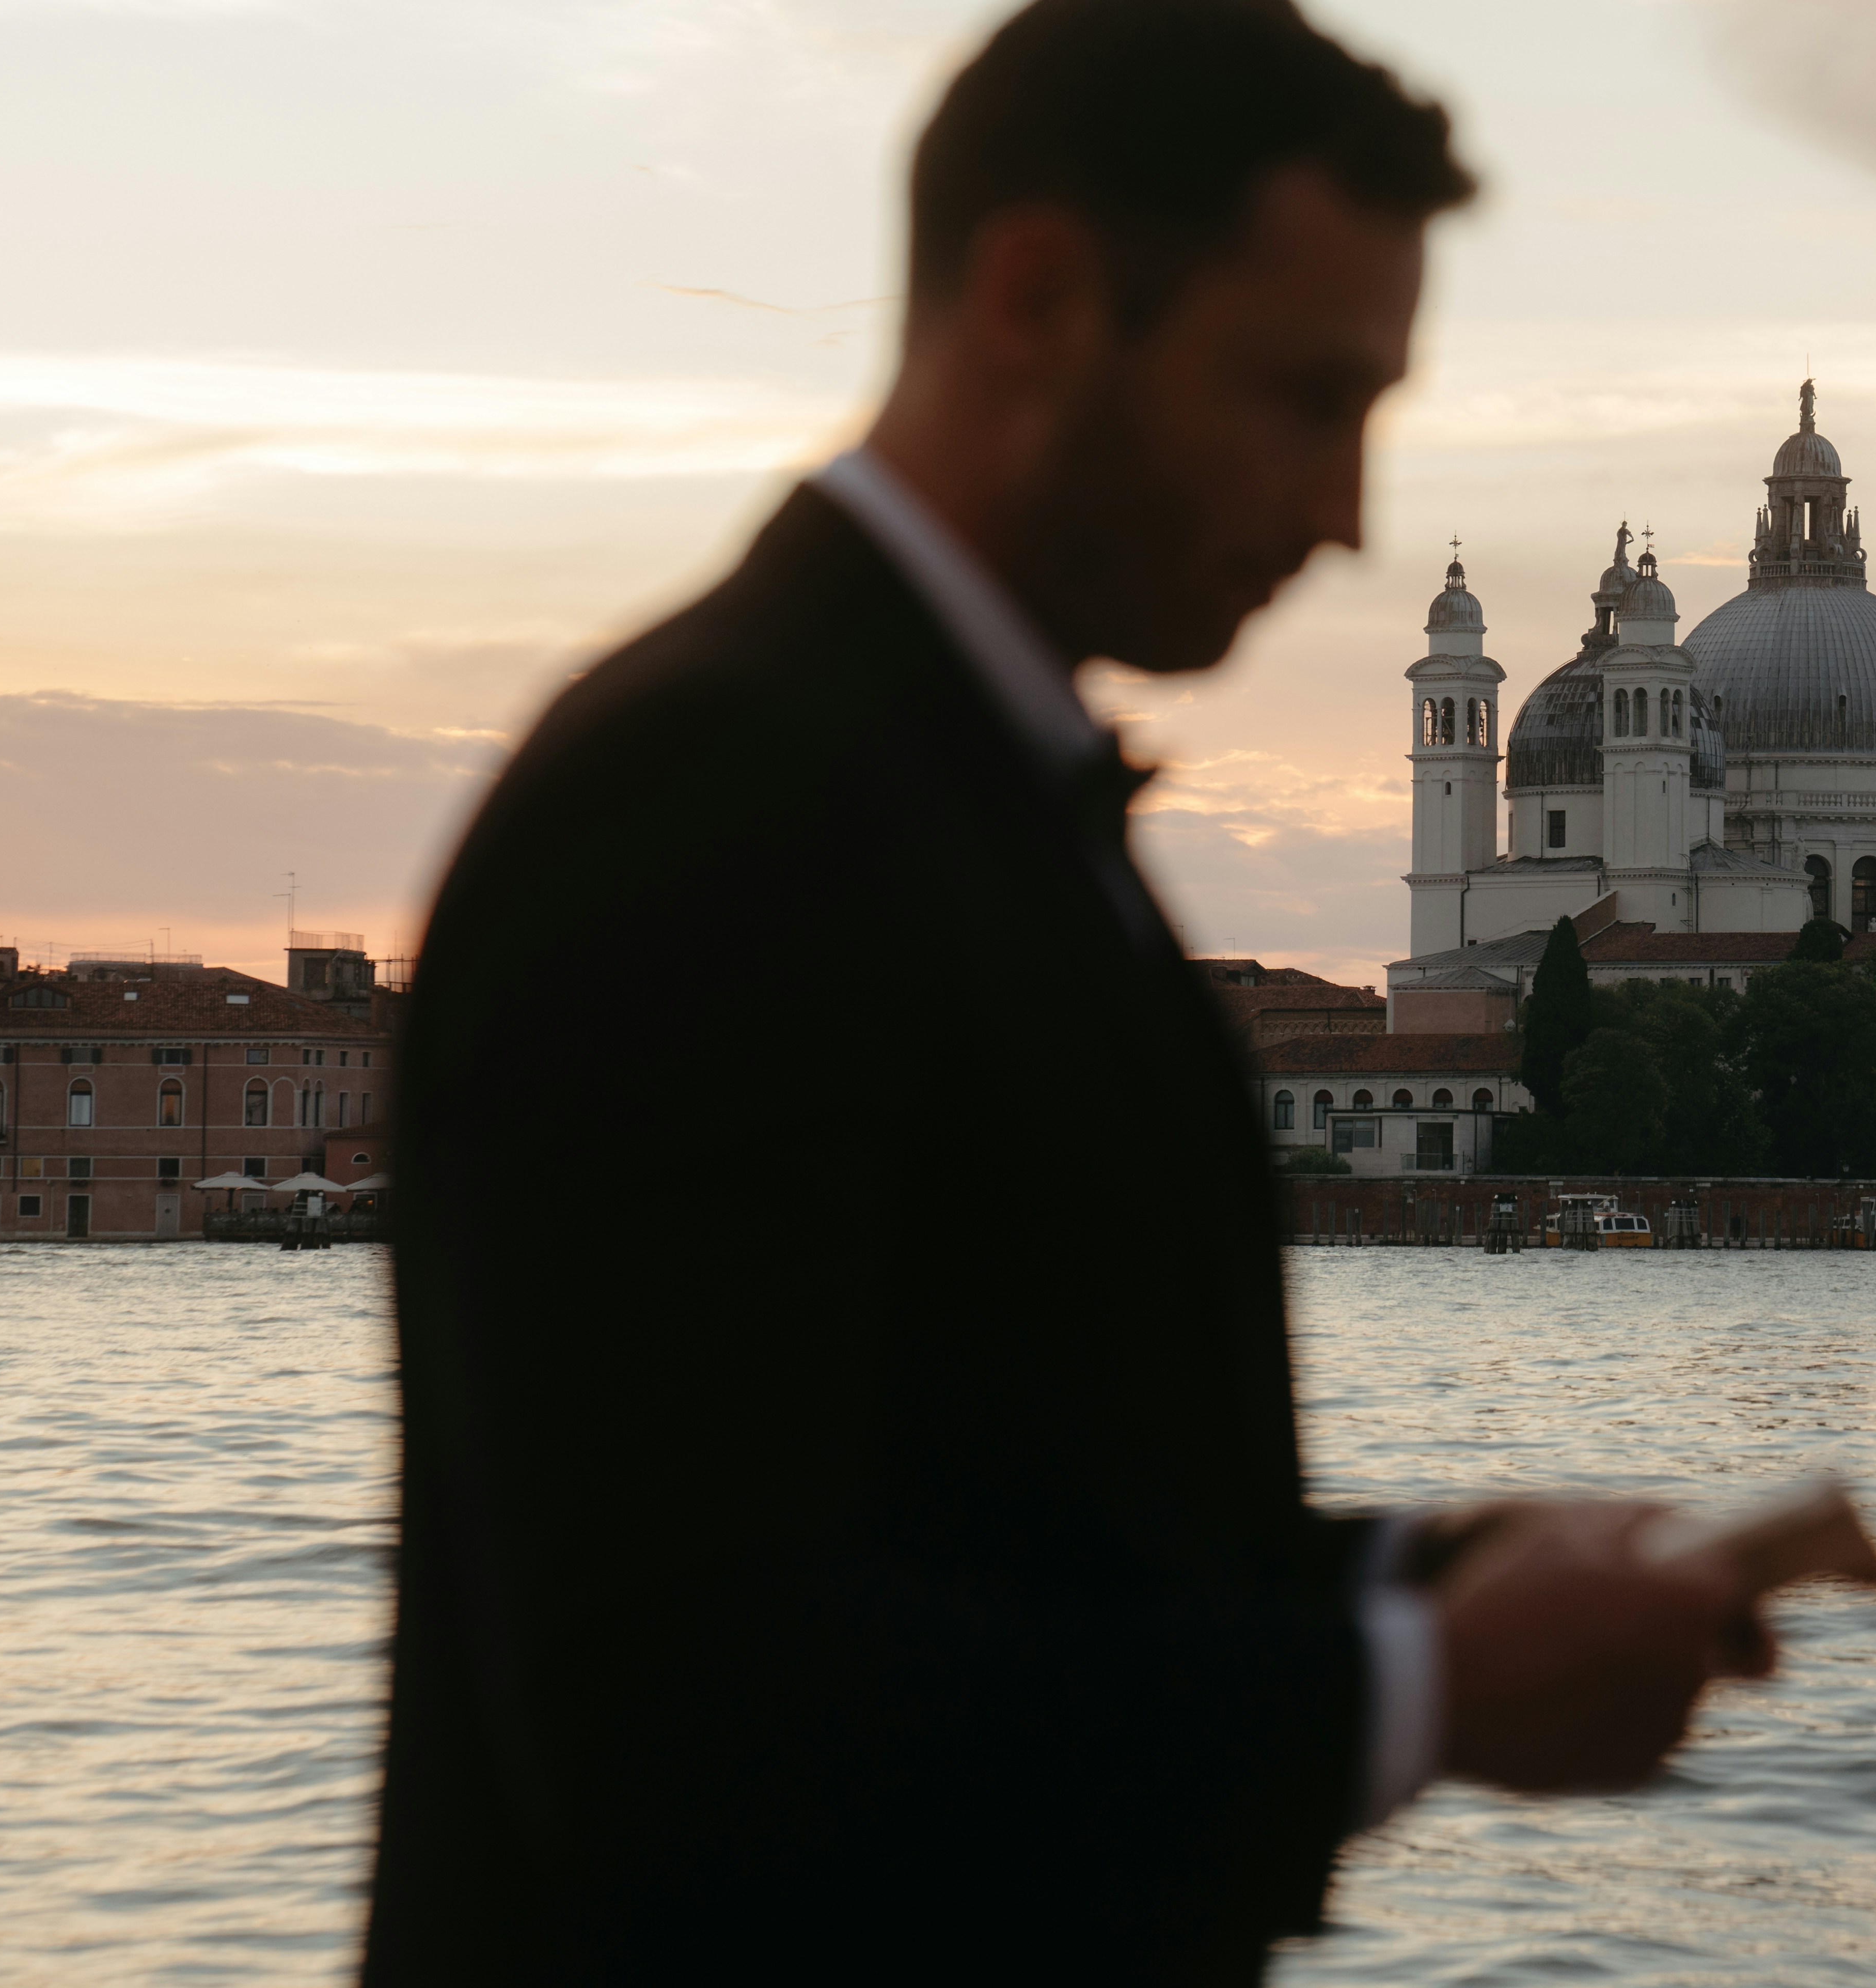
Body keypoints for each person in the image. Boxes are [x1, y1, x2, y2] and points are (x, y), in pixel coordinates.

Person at [367, 5, 1761, 1982]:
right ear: (1035, 296)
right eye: (1303, 396)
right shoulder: (701, 808)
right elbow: (685, 1723)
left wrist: (1433, 1572)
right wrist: (1413, 1687)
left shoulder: (935, 798)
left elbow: (1012, 1537)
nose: (1348, 511)